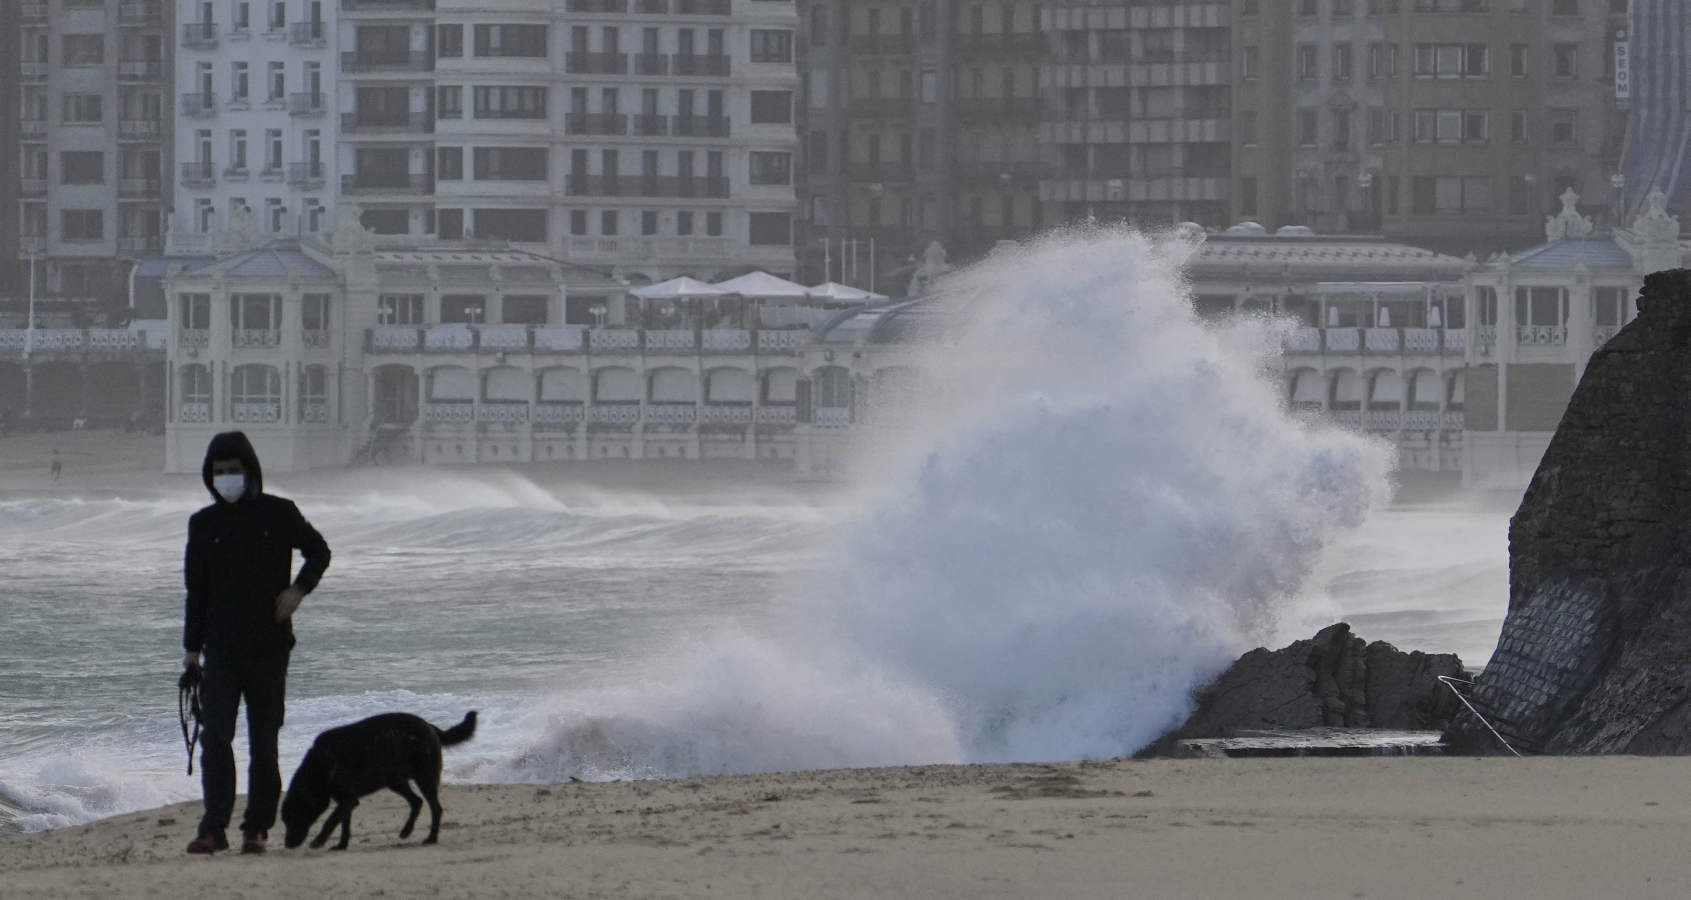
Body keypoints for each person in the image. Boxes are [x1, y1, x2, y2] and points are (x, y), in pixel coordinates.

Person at [182, 431, 330, 855]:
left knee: (264, 741)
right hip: (220, 650)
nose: (226, 478)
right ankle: (213, 828)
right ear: (210, 476)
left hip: (269, 648)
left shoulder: (279, 513)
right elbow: (196, 592)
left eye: (233, 470)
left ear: (249, 472)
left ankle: (257, 828)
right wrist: (191, 652)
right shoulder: (203, 523)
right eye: (218, 471)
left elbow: (319, 551)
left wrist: (298, 590)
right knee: (215, 739)